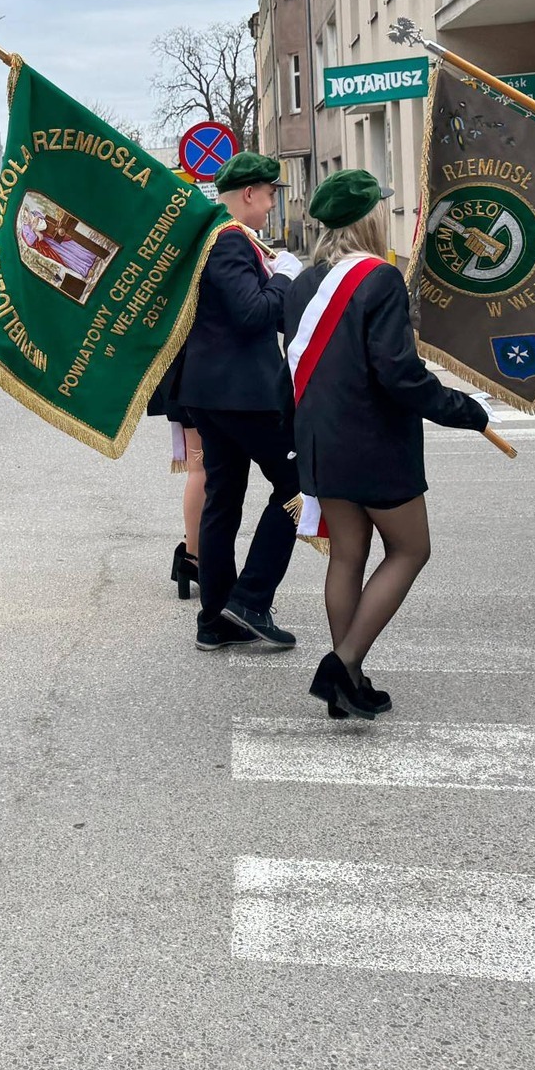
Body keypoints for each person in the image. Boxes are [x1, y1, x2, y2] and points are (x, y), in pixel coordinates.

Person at [284, 170, 490, 720]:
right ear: (370, 217)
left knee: (348, 555)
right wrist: (464, 410)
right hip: (372, 441)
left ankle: (348, 681)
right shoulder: (380, 279)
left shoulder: (305, 282)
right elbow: (398, 375)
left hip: (321, 441)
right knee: (410, 550)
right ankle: (342, 663)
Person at [175, 152, 300, 653]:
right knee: (299, 486)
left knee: (223, 501)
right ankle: (249, 598)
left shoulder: (220, 237)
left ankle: (215, 619)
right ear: (249, 193)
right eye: (269, 195)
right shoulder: (229, 240)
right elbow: (253, 315)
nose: (271, 205)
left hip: (212, 395)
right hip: (241, 397)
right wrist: (285, 279)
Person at [146, 352, 202, 599]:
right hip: (193, 377)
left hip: (181, 373)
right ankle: (193, 556)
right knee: (202, 470)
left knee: (199, 469)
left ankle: (192, 553)